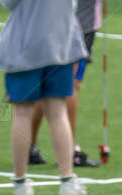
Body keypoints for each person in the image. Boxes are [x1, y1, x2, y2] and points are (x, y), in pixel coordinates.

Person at [0, 0, 86, 195]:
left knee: (22, 114)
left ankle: (20, 183)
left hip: (24, 47)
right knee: (58, 113)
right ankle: (67, 180)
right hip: (60, 46)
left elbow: (9, 3)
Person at [29, 0, 100, 169]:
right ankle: (69, 151)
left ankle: (29, 147)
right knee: (72, 84)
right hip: (78, 24)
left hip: (49, 22)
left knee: (46, 86)